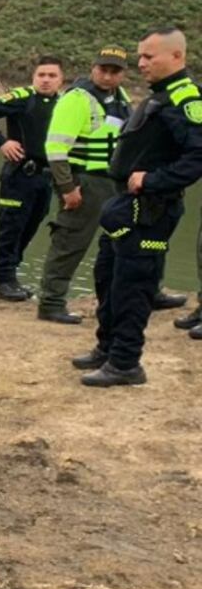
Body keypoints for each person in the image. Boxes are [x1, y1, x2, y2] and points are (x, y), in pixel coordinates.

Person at [73, 27, 202, 386]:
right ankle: (107, 347)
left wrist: (153, 180)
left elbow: (197, 157)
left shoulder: (185, 99)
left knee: (133, 286)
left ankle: (126, 363)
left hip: (151, 210)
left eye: (149, 56)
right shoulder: (160, 95)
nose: (141, 63)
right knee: (108, 276)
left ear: (177, 57)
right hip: (125, 206)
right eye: (140, 56)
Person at [36, 46, 133, 324]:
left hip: (114, 181)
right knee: (70, 242)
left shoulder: (120, 98)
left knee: (125, 240)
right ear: (93, 68)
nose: (107, 75)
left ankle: (123, 297)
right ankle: (51, 303)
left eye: (114, 71)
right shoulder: (77, 99)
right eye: (103, 69)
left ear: (123, 74)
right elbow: (55, 148)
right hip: (84, 182)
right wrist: (67, 187)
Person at [0, 56, 64, 301]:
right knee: (11, 226)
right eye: (41, 75)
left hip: (47, 178)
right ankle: (3, 280)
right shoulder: (22, 98)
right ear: (33, 77)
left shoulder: (66, 104)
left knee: (31, 226)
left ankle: (12, 276)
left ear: (61, 79)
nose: (46, 80)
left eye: (51, 75)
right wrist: (1, 141)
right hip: (20, 175)